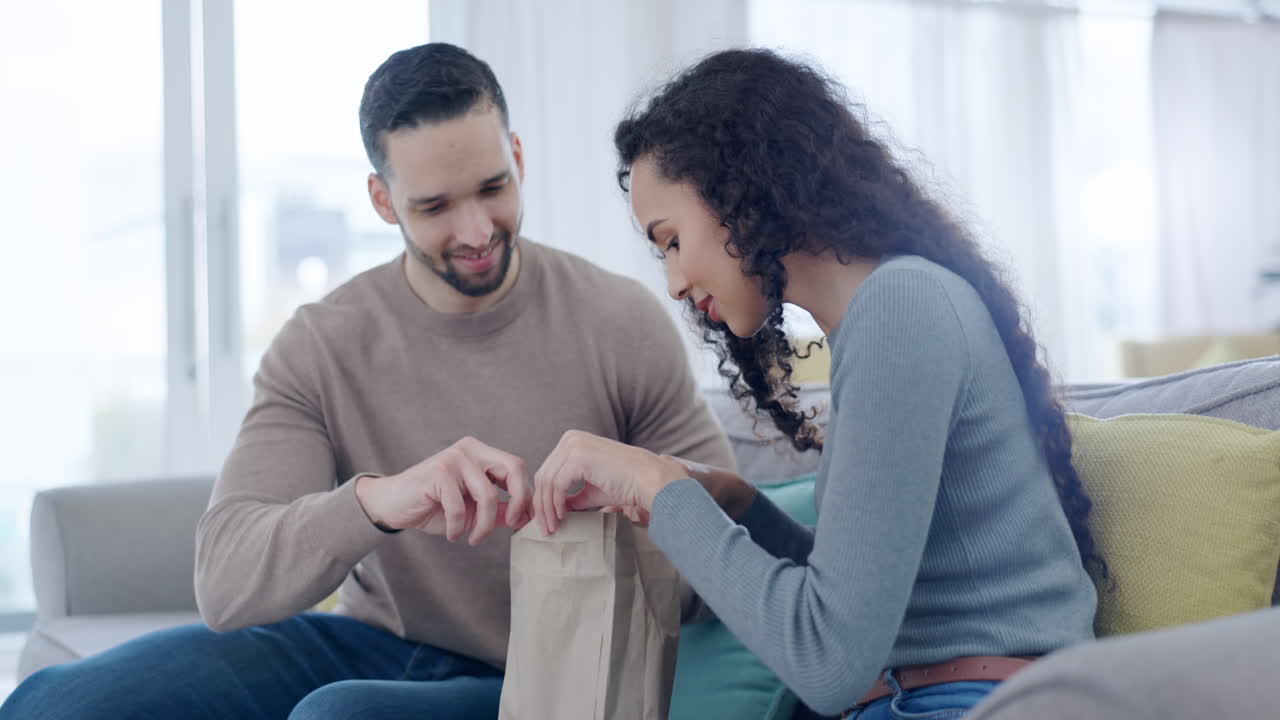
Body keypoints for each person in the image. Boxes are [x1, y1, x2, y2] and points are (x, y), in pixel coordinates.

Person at [1, 42, 732, 720]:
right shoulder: (323, 344)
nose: (477, 230)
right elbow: (225, 582)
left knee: (336, 717)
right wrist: (380, 502)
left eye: (491, 188)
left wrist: (634, 493)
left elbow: (729, 566)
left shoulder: (620, 322)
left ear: (517, 156)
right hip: (384, 644)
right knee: (57, 701)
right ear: (383, 202)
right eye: (435, 206)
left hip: (552, 674)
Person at [530, 48, 1103, 719]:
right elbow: (866, 604)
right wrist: (739, 507)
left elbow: (828, 662)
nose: (675, 282)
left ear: (738, 190)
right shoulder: (888, 310)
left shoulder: (903, 308)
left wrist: (660, 494)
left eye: (672, 240)